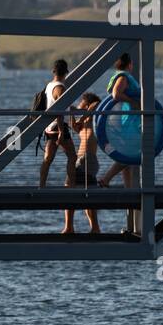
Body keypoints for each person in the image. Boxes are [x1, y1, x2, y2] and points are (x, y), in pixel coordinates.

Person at [96, 52, 140, 188]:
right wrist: (132, 101)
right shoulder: (124, 76)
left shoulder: (119, 75)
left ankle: (128, 188)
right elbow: (116, 94)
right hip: (129, 120)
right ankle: (106, 179)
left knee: (126, 155)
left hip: (126, 119)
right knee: (129, 154)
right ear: (129, 64)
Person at [66, 93, 102, 235]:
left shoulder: (93, 117)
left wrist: (80, 112)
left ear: (86, 105)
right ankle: (94, 228)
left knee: (69, 187)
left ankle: (70, 227)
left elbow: (97, 103)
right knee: (88, 195)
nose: (79, 105)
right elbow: (74, 126)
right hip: (82, 160)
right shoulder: (84, 122)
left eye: (81, 103)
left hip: (88, 159)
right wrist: (72, 113)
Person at [38, 58, 76, 187]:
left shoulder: (49, 85)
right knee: (72, 156)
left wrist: (78, 110)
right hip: (58, 127)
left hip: (49, 127)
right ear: (66, 72)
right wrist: (61, 131)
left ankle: (41, 185)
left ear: (53, 71)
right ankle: (71, 186)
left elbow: (55, 106)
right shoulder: (60, 88)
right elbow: (59, 110)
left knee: (48, 159)